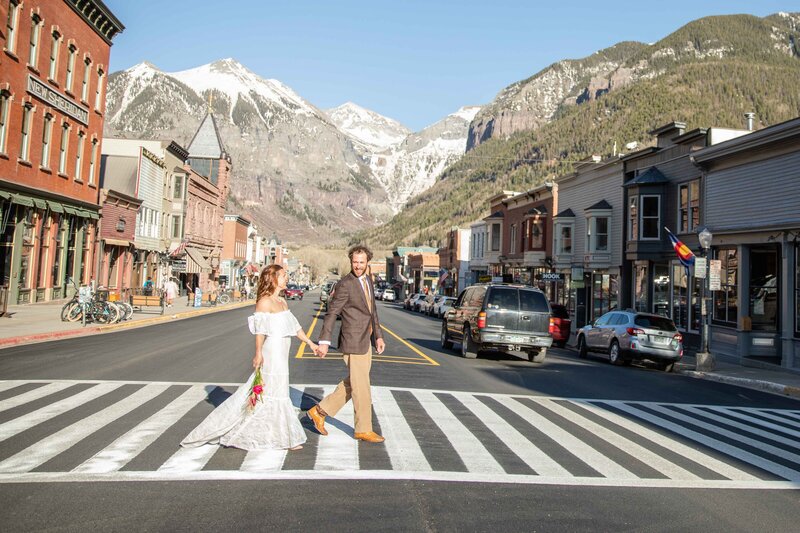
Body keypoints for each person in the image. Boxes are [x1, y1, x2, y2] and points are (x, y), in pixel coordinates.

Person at [181, 264, 319, 451]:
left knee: (278, 391)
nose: (286, 278)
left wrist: (310, 344)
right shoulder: (264, 302)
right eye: (283, 275)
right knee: (270, 391)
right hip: (272, 351)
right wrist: (258, 353)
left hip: (283, 350)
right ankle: (278, 437)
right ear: (273, 279)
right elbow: (260, 331)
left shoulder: (282, 302)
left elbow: (295, 328)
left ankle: (280, 435)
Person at [307, 245, 386, 443]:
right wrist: (324, 341)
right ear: (350, 262)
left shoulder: (368, 280)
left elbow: (372, 311)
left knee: (354, 383)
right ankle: (363, 429)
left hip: (365, 341)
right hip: (352, 340)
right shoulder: (345, 284)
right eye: (355, 262)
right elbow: (332, 312)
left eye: (361, 262)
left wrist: (378, 336)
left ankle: (319, 411)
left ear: (367, 262)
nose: (358, 266)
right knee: (362, 388)